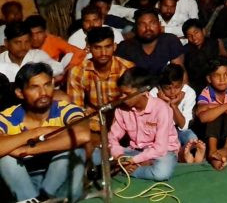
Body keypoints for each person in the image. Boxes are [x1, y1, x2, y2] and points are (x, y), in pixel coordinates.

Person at [0, 63, 88, 202]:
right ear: (20, 93)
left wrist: (28, 150)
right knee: (5, 159)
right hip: (25, 182)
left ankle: (44, 198)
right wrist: (36, 132)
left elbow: (82, 134)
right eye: (34, 87)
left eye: (47, 85)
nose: (43, 93)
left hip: (59, 185)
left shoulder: (66, 109)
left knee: (77, 150)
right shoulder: (8, 117)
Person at [108, 67, 180, 181]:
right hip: (134, 151)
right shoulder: (121, 109)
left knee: (161, 173)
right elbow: (112, 138)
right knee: (97, 155)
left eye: (126, 94)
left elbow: (160, 148)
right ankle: (126, 168)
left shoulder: (162, 109)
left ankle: (126, 170)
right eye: (121, 93)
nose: (122, 98)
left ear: (143, 91)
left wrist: (133, 161)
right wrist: (120, 156)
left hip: (162, 152)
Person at [66, 28, 135, 130]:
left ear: (114, 46)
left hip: (123, 120)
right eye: (97, 48)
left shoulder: (127, 69)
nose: (103, 53)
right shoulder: (77, 71)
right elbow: (75, 108)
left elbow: (134, 105)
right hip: (92, 119)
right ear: (89, 48)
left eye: (108, 47)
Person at [195, 57, 227, 170]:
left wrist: (211, 107)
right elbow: (203, 118)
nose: (222, 79)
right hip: (213, 133)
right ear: (209, 78)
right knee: (214, 117)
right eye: (217, 75)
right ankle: (212, 151)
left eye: (226, 75)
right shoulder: (206, 92)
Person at [150, 63, 204, 164]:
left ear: (182, 84)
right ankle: (182, 155)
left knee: (192, 138)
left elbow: (184, 126)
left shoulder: (189, 93)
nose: (172, 92)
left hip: (180, 130)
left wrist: (174, 106)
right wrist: (163, 103)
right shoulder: (153, 94)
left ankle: (187, 153)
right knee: (169, 144)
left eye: (177, 87)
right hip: (162, 132)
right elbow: (154, 125)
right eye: (167, 88)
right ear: (160, 87)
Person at [116, 9, 185, 78]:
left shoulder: (170, 40)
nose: (148, 28)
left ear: (159, 24)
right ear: (136, 27)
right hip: (137, 84)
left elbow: (180, 75)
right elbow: (122, 78)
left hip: (167, 84)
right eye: (142, 24)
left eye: (152, 23)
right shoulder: (125, 47)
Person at [182, 19, 224, 93]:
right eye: (189, 36)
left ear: (203, 31)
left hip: (215, 81)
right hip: (195, 85)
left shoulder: (215, 43)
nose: (194, 38)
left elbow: (224, 62)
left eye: (196, 33)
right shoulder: (185, 50)